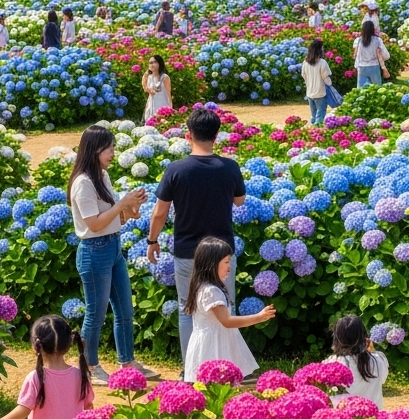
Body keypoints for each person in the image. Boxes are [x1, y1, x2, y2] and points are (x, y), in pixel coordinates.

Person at [146, 109, 246, 362]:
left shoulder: (176, 169)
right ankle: (227, 366)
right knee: (225, 306)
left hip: (187, 250)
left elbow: (159, 212)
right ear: (216, 136)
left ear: (189, 135)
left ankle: (191, 369)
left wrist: (153, 240)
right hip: (222, 252)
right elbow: (240, 200)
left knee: (187, 309)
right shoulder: (229, 167)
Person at [68, 126, 157, 384]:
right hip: (94, 252)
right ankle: (90, 366)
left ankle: (127, 362)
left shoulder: (102, 176)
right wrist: (121, 204)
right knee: (96, 314)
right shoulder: (83, 182)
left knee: (125, 309)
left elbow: (115, 218)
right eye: (110, 148)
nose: (113, 153)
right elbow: (93, 224)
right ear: (96, 149)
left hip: (113, 247)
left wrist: (131, 207)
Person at [183, 237, 275, 381]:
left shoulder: (202, 287)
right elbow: (227, 321)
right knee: (218, 386)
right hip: (214, 349)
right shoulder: (211, 291)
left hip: (209, 345)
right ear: (211, 264)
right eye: (226, 262)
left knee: (213, 388)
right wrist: (259, 317)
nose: (229, 267)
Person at [324, 315, 389, 406]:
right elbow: (382, 379)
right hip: (374, 417)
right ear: (363, 336)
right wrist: (372, 351)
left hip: (344, 418)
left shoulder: (331, 363)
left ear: (337, 338)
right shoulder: (378, 360)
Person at [301, 38, 333, 126]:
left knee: (313, 114)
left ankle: (312, 129)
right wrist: (330, 85)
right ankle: (317, 131)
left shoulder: (305, 62)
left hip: (309, 92)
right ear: (319, 50)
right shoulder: (322, 63)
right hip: (320, 93)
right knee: (320, 114)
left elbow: (303, 75)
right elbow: (326, 79)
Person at [353, 21, 389, 88]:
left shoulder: (358, 40)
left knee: (361, 90)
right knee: (376, 89)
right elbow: (386, 55)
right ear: (373, 29)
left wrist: (355, 67)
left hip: (361, 67)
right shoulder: (377, 40)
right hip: (374, 66)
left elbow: (356, 56)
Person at [142, 55, 173, 121]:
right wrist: (149, 91)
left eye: (154, 62)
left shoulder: (165, 77)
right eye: (150, 63)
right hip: (151, 105)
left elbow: (168, 94)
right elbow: (145, 86)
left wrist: (170, 109)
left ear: (159, 63)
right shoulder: (149, 77)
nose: (152, 64)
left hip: (162, 105)